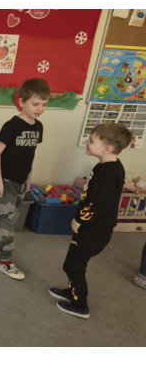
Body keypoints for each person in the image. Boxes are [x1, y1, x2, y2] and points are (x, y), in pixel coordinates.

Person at [49, 123, 132, 318]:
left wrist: (79, 219)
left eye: (92, 141)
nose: (87, 142)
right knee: (73, 262)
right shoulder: (109, 165)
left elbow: (100, 203)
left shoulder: (107, 171)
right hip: (93, 228)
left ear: (107, 148)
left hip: (94, 230)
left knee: (74, 265)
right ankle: (72, 291)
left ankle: (80, 305)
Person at [0, 78, 50, 279]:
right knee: (6, 222)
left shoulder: (38, 127)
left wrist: (29, 177)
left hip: (21, 180)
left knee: (6, 218)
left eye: (44, 104)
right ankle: (4, 260)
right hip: (5, 180)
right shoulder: (11, 125)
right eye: (35, 104)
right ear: (22, 102)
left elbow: (30, 154)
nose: (40, 109)